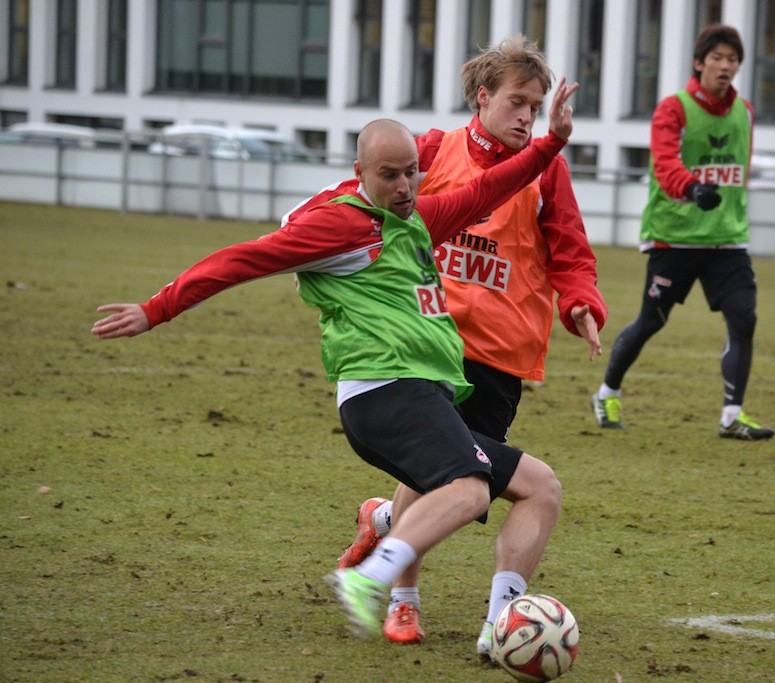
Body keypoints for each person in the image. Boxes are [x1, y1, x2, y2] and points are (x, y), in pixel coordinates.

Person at [90, 78, 578, 650]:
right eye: (388, 175)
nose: (402, 186)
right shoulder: (343, 227)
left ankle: (487, 617)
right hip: (386, 391)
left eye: (409, 174)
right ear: (360, 173)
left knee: (538, 484)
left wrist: (551, 144)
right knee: (468, 490)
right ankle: (375, 582)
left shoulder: (419, 218)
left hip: (417, 393)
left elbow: (490, 187)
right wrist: (156, 309)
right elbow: (240, 261)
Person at [284, 37, 607, 652]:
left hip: (500, 358)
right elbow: (365, 196)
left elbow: (571, 252)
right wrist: (304, 226)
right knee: (447, 474)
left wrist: (582, 304)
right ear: (483, 98)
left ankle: (383, 522)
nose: (526, 116)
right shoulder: (431, 153)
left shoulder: (546, 170)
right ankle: (408, 602)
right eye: (517, 101)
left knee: (462, 487)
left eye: (536, 108)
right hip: (428, 347)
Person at [590, 24, 774, 440]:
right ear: (699, 63)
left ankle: (732, 416)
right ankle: (607, 391)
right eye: (718, 58)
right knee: (652, 320)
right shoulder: (673, 108)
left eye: (732, 60)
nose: (725, 66)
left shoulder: (744, 112)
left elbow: (741, 167)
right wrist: (692, 189)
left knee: (744, 318)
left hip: (727, 239)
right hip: (675, 236)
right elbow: (666, 163)